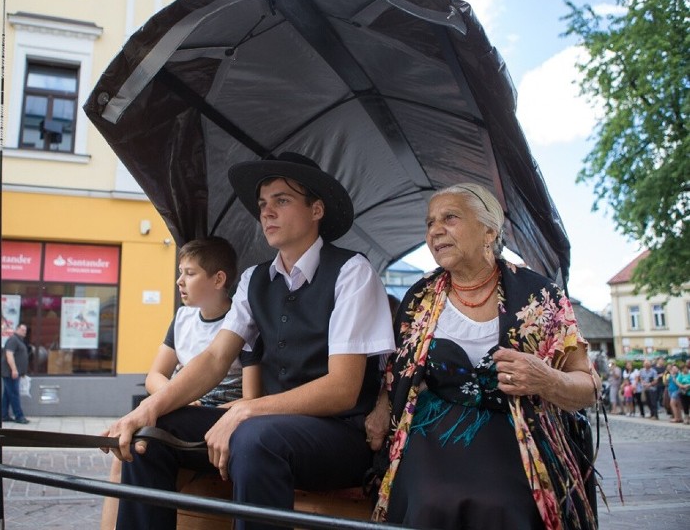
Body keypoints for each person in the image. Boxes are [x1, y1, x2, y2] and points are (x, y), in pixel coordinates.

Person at [105, 152, 394, 530]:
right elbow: (214, 358)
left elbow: (342, 389)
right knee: (153, 432)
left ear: (316, 209)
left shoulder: (351, 272)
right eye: (262, 204)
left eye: (282, 200)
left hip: (340, 436)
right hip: (270, 429)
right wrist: (149, 408)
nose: (267, 212)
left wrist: (247, 410)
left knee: (255, 435)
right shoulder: (255, 279)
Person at [365, 183, 599, 529]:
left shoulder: (540, 296)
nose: (435, 231)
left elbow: (589, 387)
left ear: (489, 230)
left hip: (518, 429)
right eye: (430, 223)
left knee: (506, 506)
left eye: (450, 218)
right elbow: (395, 374)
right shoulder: (418, 299)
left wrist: (548, 379)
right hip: (432, 433)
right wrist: (382, 408)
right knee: (431, 501)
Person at [99, 236, 263, 530]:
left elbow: (251, 397)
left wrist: (188, 408)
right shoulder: (182, 318)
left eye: (190, 273)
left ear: (218, 279)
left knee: (143, 447)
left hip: (219, 417)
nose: (179, 281)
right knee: (129, 452)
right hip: (182, 410)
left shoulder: (242, 322)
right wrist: (179, 399)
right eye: (180, 272)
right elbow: (154, 376)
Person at [1, 324, 30, 424]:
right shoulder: (13, 340)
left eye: (25, 330)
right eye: (22, 329)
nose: (24, 332)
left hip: (13, 373)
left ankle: (3, 415)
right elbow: (9, 355)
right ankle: (19, 416)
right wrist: (14, 370)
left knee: (7, 395)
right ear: (17, 329)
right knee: (14, 394)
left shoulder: (19, 340)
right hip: (10, 373)